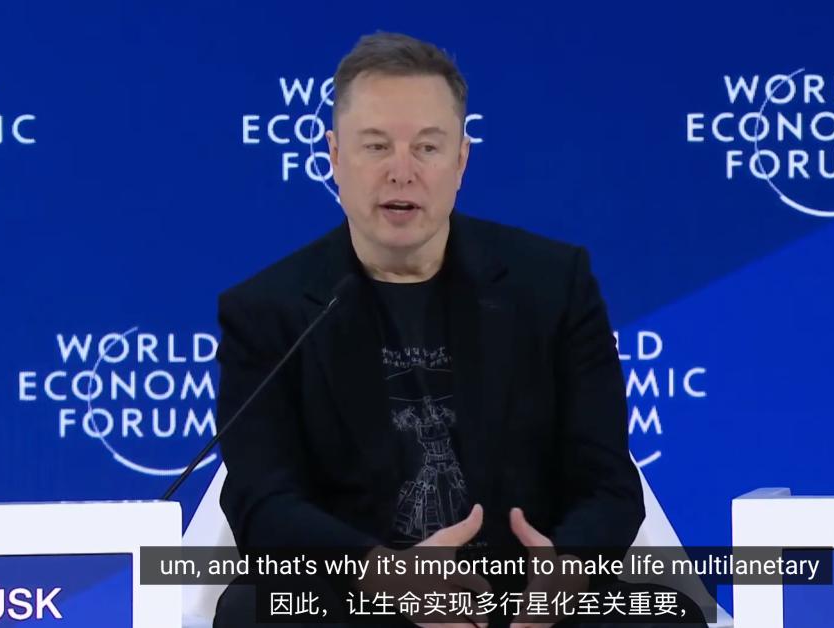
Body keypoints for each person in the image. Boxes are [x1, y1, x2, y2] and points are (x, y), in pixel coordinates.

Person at [213, 32, 648, 627]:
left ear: (461, 161)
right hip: (364, 599)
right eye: (376, 146)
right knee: (255, 612)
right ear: (334, 156)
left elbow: (610, 484)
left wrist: (566, 570)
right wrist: (383, 575)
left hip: (526, 598)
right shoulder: (269, 310)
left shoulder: (553, 286)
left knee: (664, 616)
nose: (402, 172)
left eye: (427, 147)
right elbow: (262, 503)